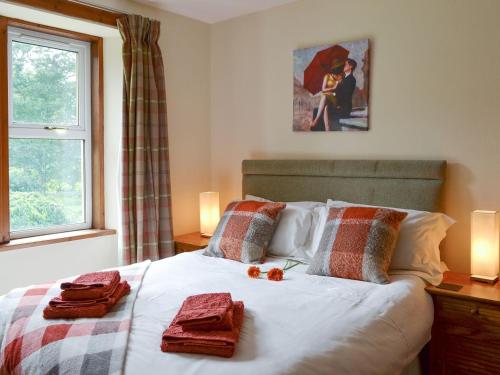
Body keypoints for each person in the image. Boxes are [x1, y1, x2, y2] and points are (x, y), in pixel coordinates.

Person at [310, 63, 344, 131]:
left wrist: (338, 86)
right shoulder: (327, 76)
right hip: (327, 97)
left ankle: (316, 119)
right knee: (325, 106)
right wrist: (334, 87)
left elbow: (340, 91)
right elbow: (323, 89)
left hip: (335, 97)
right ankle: (327, 128)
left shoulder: (341, 77)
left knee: (325, 97)